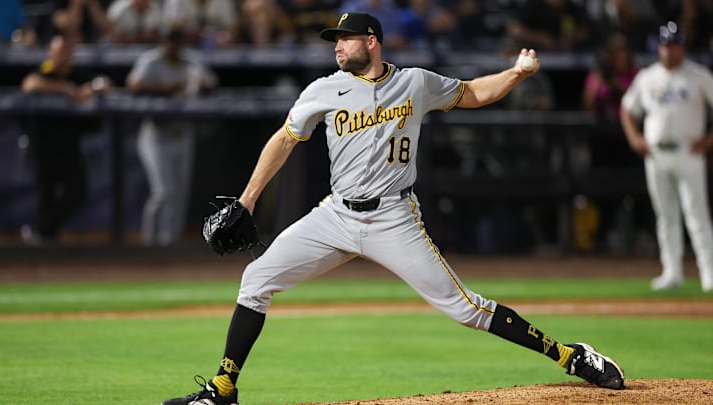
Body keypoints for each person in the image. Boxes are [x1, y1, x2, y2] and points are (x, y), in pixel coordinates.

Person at [162, 12, 625, 405]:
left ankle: (572, 355)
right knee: (255, 280)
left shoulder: (415, 83)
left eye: (344, 39)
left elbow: (475, 93)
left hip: (393, 218)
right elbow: (285, 138)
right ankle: (222, 390)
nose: (337, 48)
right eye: (334, 42)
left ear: (371, 41)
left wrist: (517, 74)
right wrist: (247, 199)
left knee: (467, 310)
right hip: (335, 215)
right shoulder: (324, 89)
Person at [620, 20, 713, 292]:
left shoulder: (697, 75)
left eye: (674, 45)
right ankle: (671, 272)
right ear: (658, 47)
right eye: (665, 45)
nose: (669, 50)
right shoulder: (647, 77)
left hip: (688, 151)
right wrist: (635, 138)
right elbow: (627, 110)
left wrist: (708, 141)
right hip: (656, 153)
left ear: (682, 47)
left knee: (696, 214)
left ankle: (708, 272)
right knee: (666, 215)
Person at [126, 27, 217, 246]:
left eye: (176, 42)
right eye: (168, 41)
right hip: (156, 133)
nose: (172, 46)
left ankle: (169, 242)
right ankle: (150, 241)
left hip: (183, 131)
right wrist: (169, 87)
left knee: (180, 193)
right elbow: (134, 85)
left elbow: (211, 83)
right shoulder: (151, 61)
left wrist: (195, 85)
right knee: (162, 192)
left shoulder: (191, 62)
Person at [20, 35, 111, 244]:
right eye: (57, 51)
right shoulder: (44, 70)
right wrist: (66, 90)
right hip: (42, 145)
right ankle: (45, 241)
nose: (61, 56)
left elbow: (101, 84)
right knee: (46, 196)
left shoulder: (76, 74)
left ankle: (44, 232)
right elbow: (29, 84)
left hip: (69, 145)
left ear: (71, 55)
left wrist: (89, 89)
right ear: (50, 53)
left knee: (78, 192)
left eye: (65, 52)